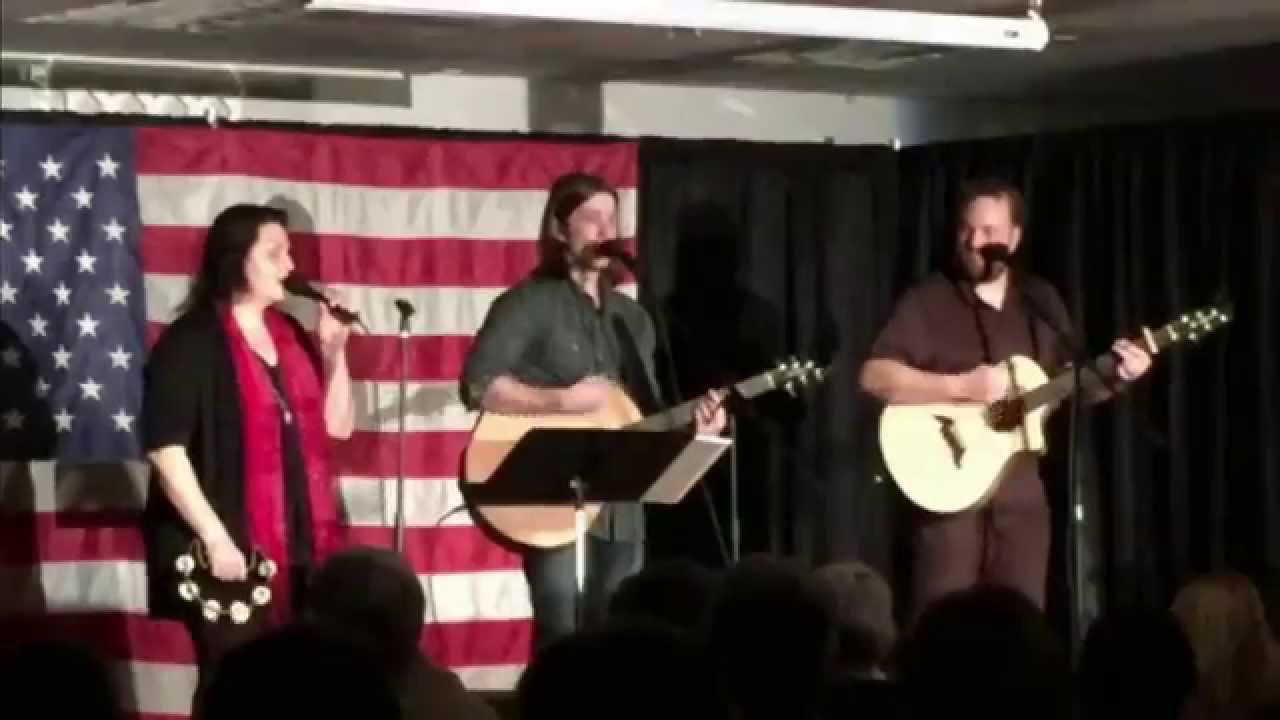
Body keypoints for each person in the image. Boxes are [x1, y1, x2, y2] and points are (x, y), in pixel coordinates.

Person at [858, 178, 1152, 620]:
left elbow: (1067, 384)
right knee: (943, 627)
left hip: (1021, 503)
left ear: (1014, 238)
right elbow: (874, 376)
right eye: (966, 231)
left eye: (989, 232)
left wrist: (1118, 375)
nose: (975, 242)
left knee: (1021, 627)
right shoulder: (928, 301)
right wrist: (960, 387)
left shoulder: (1039, 302)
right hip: (949, 503)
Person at [459, 171, 727, 651]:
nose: (606, 231)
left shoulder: (633, 318)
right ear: (560, 229)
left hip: (621, 501)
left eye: (612, 219)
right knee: (560, 627)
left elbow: (641, 417)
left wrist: (695, 426)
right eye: (591, 218)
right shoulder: (528, 304)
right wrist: (560, 401)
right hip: (552, 495)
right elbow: (479, 385)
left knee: (619, 630)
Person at [140, 203, 355, 699]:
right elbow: (166, 450)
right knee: (234, 686)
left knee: (299, 687)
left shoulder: (290, 335)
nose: (290, 266)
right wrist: (216, 538)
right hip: (227, 548)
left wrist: (335, 352)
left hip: (298, 544)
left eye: (289, 252)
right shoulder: (191, 342)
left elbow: (337, 428)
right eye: (275, 253)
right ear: (235, 259)